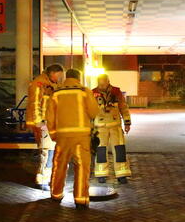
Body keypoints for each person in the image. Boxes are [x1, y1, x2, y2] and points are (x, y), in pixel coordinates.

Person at [46, 69, 99, 209]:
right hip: (81, 136)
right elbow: (94, 112)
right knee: (82, 167)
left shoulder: (56, 93)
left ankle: (56, 194)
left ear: (66, 77)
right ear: (79, 78)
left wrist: (53, 134)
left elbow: (49, 116)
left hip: (62, 136)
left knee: (59, 166)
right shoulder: (84, 91)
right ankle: (80, 199)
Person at [26, 64, 64, 190]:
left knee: (51, 150)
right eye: (58, 75)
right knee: (46, 151)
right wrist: (38, 122)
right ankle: (42, 179)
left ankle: (46, 178)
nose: (59, 78)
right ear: (52, 73)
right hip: (44, 122)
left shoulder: (52, 84)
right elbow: (34, 103)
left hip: (50, 122)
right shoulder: (39, 84)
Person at [92, 74, 132, 184]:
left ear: (108, 82)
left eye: (103, 84)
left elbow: (123, 107)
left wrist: (127, 123)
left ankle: (121, 174)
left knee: (119, 150)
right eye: (99, 84)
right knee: (100, 150)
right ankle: (101, 174)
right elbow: (89, 110)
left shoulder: (116, 92)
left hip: (115, 125)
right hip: (100, 127)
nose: (101, 86)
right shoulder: (93, 93)